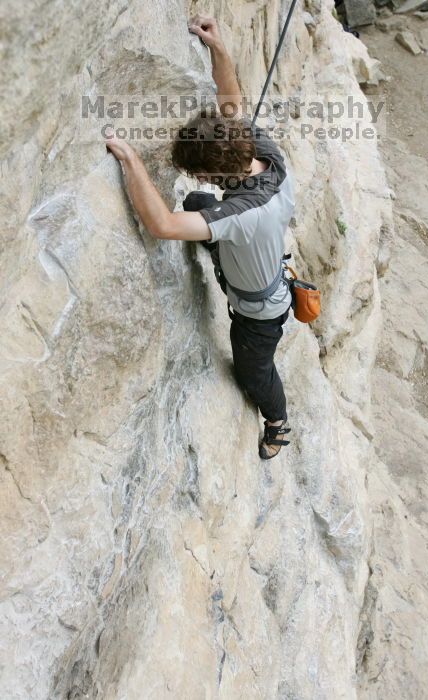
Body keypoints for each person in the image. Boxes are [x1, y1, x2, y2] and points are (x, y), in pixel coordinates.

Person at [105, 15, 294, 459]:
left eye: (202, 172)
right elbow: (231, 101)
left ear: (222, 171)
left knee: (254, 370)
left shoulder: (244, 214)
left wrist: (130, 161)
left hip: (259, 312)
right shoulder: (259, 151)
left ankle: (278, 421)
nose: (199, 178)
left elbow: (163, 227)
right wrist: (218, 48)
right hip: (251, 253)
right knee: (196, 204)